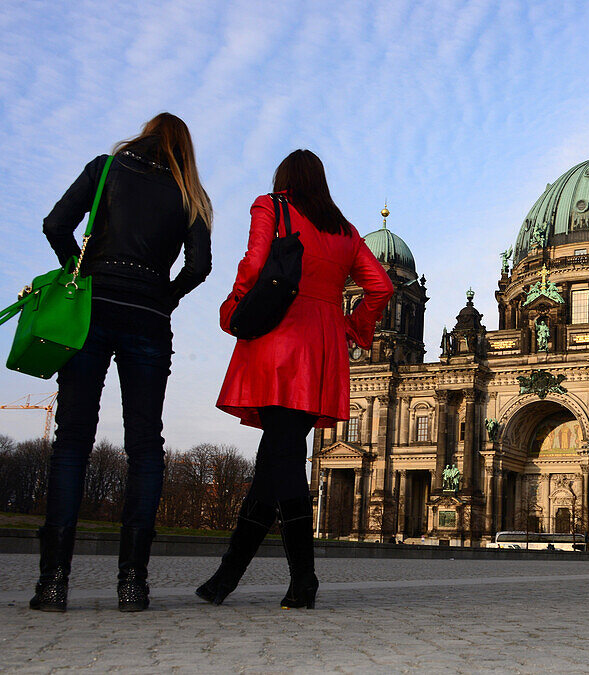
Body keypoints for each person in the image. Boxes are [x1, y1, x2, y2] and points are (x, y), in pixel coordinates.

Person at [30, 114, 213, 613]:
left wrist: (78, 272)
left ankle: (53, 584)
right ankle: (133, 584)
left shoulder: (106, 169)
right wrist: (165, 296)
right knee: (145, 448)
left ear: (144, 134)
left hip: (91, 310)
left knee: (71, 443)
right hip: (149, 317)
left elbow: (55, 224)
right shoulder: (191, 193)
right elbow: (199, 266)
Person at [196, 150, 392, 609]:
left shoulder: (272, 206)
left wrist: (234, 308)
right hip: (323, 350)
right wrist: (353, 326)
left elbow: (253, 263)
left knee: (280, 462)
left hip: (278, 342)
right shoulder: (345, 231)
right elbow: (380, 286)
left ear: (284, 178)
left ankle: (303, 577)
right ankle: (225, 578)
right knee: (276, 463)